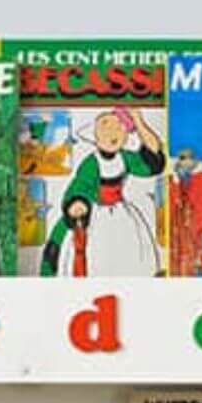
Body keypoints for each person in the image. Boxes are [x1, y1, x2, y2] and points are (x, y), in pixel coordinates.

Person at [40, 107, 164, 277]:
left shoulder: (125, 158)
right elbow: (80, 185)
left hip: (122, 214)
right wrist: (78, 202)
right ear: (96, 137)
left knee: (131, 254)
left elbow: (152, 160)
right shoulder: (91, 163)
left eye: (119, 127)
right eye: (106, 126)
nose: (113, 132)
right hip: (95, 213)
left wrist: (139, 121)